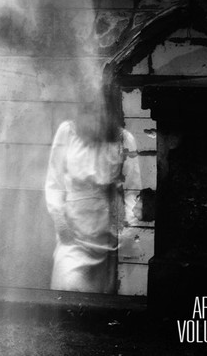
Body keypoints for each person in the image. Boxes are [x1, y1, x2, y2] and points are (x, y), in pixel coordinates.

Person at [45, 95, 139, 293]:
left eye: (102, 110)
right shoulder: (68, 133)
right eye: (90, 109)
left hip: (108, 240)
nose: (96, 115)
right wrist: (59, 220)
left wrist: (127, 231)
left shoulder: (124, 139)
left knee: (102, 300)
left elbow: (132, 191)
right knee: (68, 287)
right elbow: (54, 182)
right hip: (73, 236)